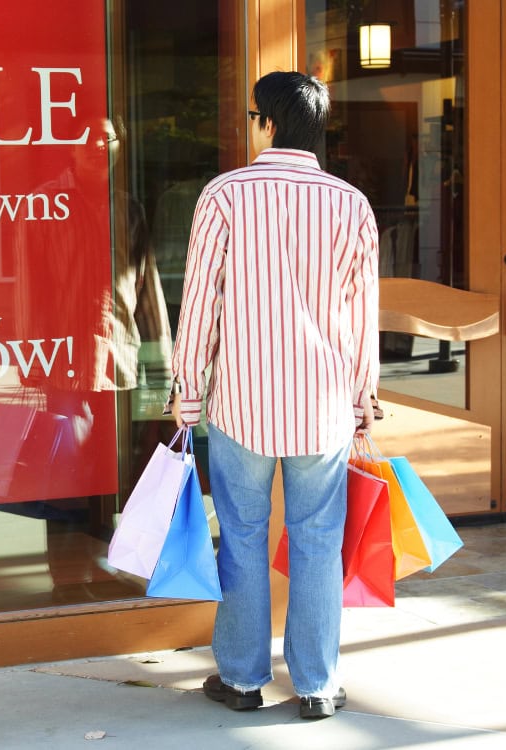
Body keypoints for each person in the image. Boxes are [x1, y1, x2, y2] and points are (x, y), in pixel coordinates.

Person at [169, 71, 379, 720]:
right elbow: (362, 317)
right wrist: (363, 405)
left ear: (266, 123)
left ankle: (241, 679)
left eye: (251, 115)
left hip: (241, 403)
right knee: (319, 539)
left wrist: (186, 396)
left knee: (241, 535)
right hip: (323, 409)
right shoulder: (352, 204)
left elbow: (200, 303)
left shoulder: (225, 194)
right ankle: (317, 685)